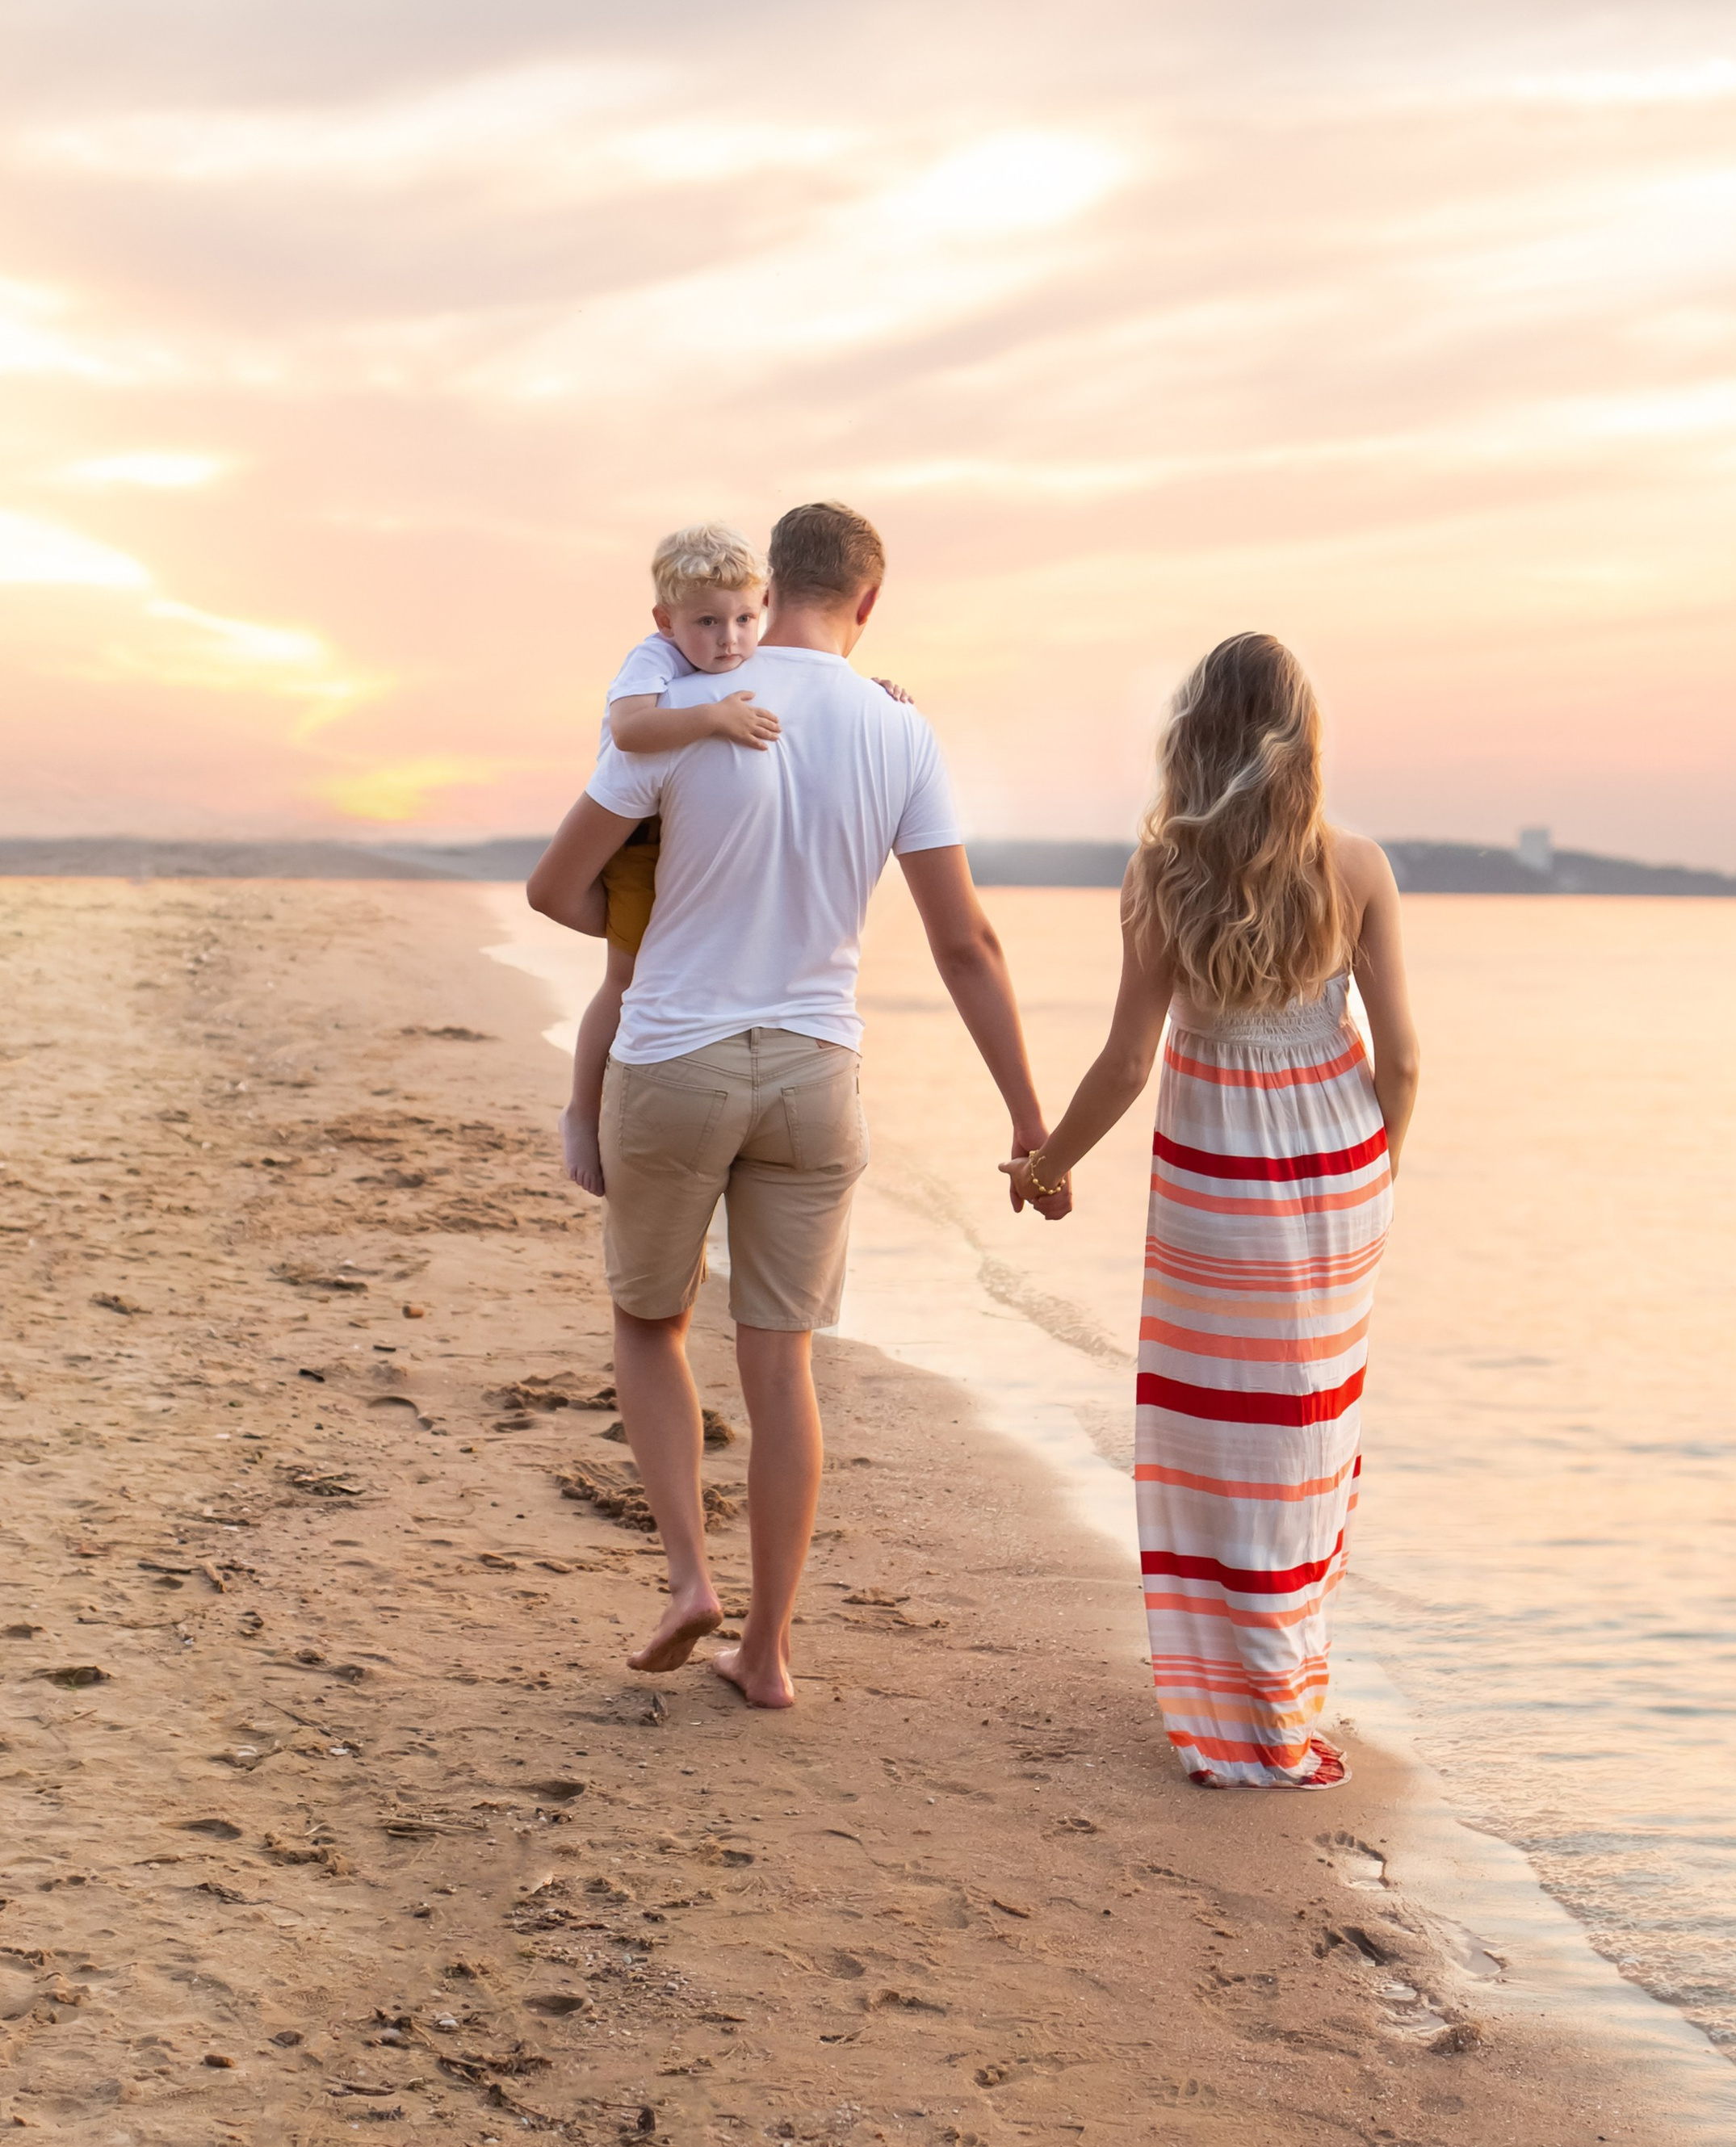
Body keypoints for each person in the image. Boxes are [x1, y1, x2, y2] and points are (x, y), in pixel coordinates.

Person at [526, 500, 1051, 1709]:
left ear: (773, 585)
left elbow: (556, 889)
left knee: (651, 1323)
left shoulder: (690, 699)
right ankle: (766, 1656)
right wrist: (1030, 1122)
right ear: (870, 602)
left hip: (676, 1059)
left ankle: (688, 1583)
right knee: (782, 1362)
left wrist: (666, 923)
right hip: (817, 1073)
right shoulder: (900, 728)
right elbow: (966, 945)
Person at [1004, 631, 1419, 1790]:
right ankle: (1285, 1693)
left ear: (1193, 738)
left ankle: (1239, 1705)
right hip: (1341, 1176)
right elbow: (1404, 1061)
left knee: (1218, 1432)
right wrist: (1379, 1185)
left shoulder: (1162, 872)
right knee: (1306, 1433)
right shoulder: (1359, 867)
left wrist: (1046, 1165)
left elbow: (1126, 1062)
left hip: (1216, 1175)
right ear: (1304, 741)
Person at [557, 523, 784, 1198]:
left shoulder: (752, 658)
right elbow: (630, 730)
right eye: (707, 622)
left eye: (744, 619)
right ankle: (582, 1111)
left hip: (695, 830)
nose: (729, 639)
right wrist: (713, 718)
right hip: (635, 837)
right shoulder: (652, 658)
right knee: (625, 978)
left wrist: (881, 688)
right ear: (666, 621)